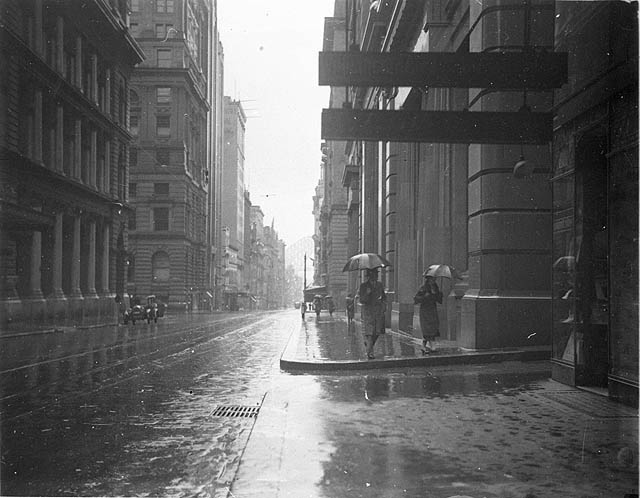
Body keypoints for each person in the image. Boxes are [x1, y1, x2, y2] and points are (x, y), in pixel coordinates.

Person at [359, 268, 386, 359]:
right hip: (368, 312)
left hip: (378, 312)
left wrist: (383, 306)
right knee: (369, 332)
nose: (376, 276)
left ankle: (369, 345)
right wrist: (367, 294)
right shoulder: (363, 286)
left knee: (377, 332)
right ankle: (370, 352)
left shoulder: (380, 285)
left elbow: (384, 297)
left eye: (376, 274)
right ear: (369, 276)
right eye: (374, 274)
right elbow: (361, 300)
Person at [414, 271, 443, 354]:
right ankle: (430, 345)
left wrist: (439, 294)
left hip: (433, 309)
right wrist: (425, 296)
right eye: (432, 278)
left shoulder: (435, 288)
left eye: (435, 278)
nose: (434, 280)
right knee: (427, 327)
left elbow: (439, 300)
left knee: (433, 326)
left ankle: (424, 345)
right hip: (425, 310)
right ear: (429, 279)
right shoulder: (423, 288)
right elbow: (416, 299)